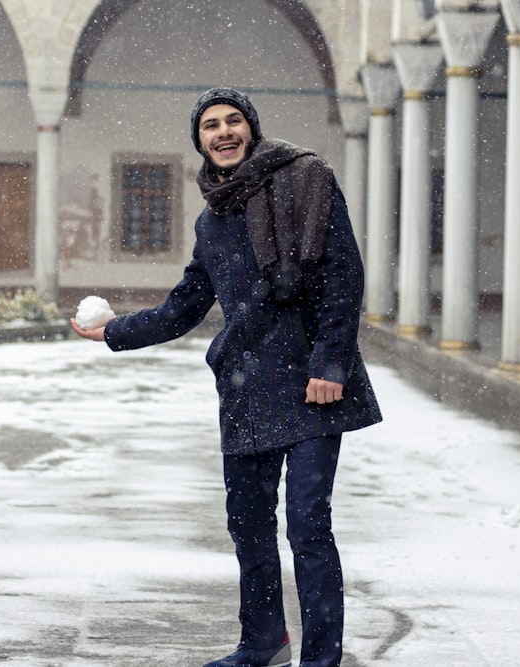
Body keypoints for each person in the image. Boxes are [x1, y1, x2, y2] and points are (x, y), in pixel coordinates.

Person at [70, 87, 381, 667]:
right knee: (249, 526)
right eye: (210, 125)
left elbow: (344, 274)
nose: (223, 131)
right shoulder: (212, 222)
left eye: (233, 120)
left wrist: (330, 364)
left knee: (308, 527)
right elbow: (184, 306)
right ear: (201, 143)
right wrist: (115, 331)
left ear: (251, 128)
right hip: (247, 387)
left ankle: (321, 659)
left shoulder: (306, 179)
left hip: (313, 384)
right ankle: (263, 642)